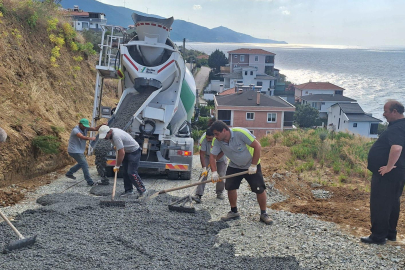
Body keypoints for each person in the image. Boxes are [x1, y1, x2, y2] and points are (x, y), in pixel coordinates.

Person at [209, 120, 273, 225]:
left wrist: (253, 165)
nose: (215, 136)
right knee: (230, 187)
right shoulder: (217, 141)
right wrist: (214, 172)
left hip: (251, 165)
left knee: (259, 189)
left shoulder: (241, 133)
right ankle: (234, 212)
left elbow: (257, 146)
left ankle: (264, 214)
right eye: (214, 134)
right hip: (234, 165)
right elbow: (213, 156)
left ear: (224, 130)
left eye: (217, 133)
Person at [361, 100, 405, 245]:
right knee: (392, 203)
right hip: (398, 173)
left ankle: (378, 236)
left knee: (380, 204)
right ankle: (390, 234)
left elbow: (397, 148)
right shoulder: (402, 125)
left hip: (387, 174)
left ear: (394, 112)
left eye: (386, 111)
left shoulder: (397, 128)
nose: (383, 114)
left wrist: (388, 166)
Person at [98, 125, 147, 197]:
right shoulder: (111, 132)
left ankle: (143, 190)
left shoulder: (116, 136)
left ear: (109, 132)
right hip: (127, 151)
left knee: (132, 172)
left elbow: (121, 153)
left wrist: (117, 165)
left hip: (134, 151)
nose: (105, 138)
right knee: (125, 172)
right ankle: (128, 191)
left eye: (105, 136)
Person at [192, 128, 227, 203]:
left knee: (221, 175)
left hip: (220, 158)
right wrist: (204, 168)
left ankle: (219, 192)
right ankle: (198, 194)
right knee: (203, 174)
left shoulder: (220, 138)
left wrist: (213, 161)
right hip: (208, 156)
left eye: (210, 138)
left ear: (214, 136)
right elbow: (202, 154)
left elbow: (224, 151)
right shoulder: (203, 139)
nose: (208, 139)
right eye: (207, 138)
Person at [66, 118, 103, 186]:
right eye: (83, 126)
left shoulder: (85, 128)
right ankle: (90, 182)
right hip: (74, 151)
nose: (85, 127)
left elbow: (95, 128)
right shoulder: (75, 130)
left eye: (86, 126)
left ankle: (69, 173)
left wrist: (102, 125)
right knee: (85, 165)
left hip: (79, 150)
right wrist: (90, 138)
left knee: (81, 163)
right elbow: (81, 137)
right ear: (79, 124)